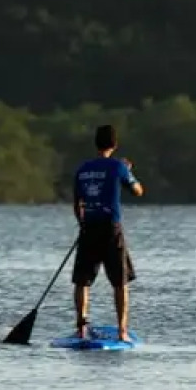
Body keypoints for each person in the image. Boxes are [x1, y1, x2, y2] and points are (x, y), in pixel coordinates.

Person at [69, 124, 144, 342]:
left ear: (96, 143)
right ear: (115, 144)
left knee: (82, 281)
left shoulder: (83, 169)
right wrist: (128, 171)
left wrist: (82, 224)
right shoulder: (117, 167)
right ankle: (122, 331)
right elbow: (138, 191)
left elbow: (77, 204)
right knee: (120, 282)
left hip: (89, 227)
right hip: (111, 228)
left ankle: (81, 328)